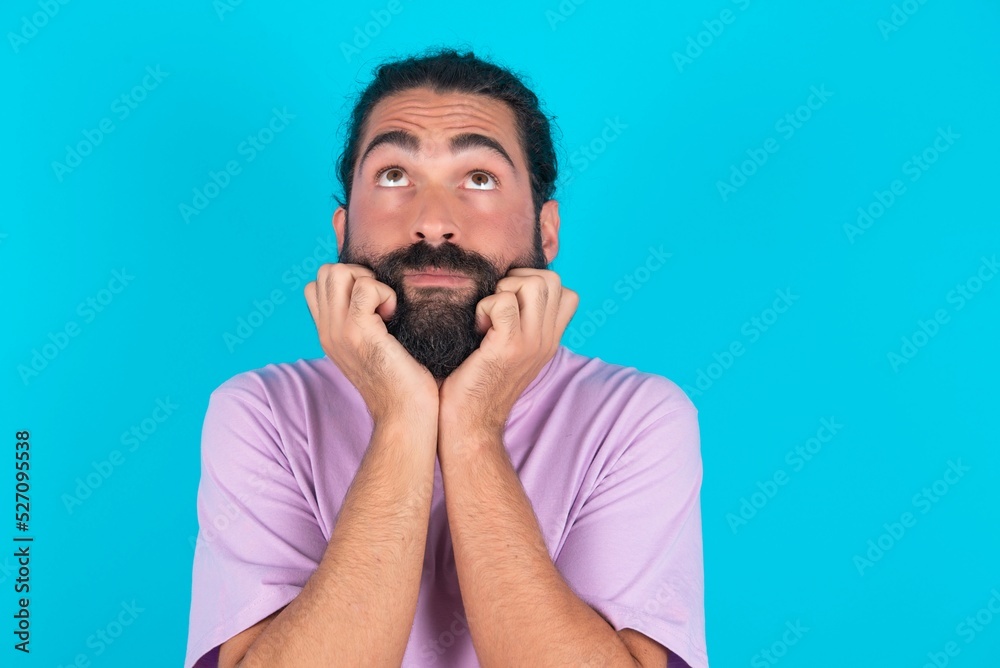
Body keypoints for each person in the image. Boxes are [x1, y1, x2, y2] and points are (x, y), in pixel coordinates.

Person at [185, 48, 708, 668]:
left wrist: (474, 426)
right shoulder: (261, 412)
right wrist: (404, 417)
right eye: (394, 175)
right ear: (342, 227)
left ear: (547, 232)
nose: (433, 224)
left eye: (479, 178)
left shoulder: (637, 418)